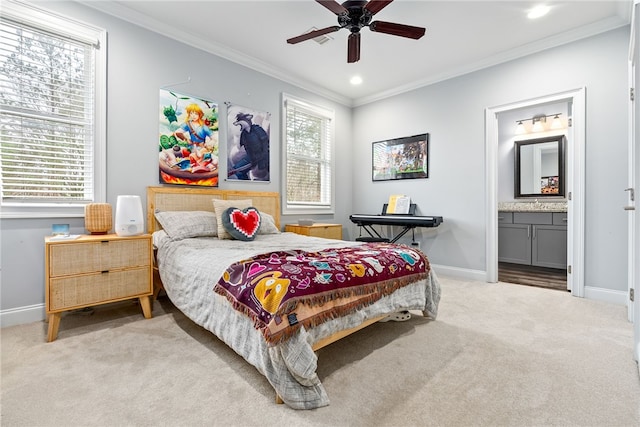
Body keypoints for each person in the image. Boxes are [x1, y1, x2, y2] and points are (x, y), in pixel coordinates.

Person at [173, 103, 217, 170]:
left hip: (202, 148)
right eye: (191, 113)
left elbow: (214, 138)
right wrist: (186, 139)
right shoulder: (188, 124)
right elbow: (177, 132)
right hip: (191, 147)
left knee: (202, 160)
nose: (193, 116)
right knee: (186, 158)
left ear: (199, 114)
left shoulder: (203, 126)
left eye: (196, 113)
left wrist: (208, 144)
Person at [231, 112, 269, 180]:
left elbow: (265, 144)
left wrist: (262, 159)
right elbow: (240, 146)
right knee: (236, 170)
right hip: (251, 157)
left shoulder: (257, 129)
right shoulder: (244, 134)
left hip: (262, 156)